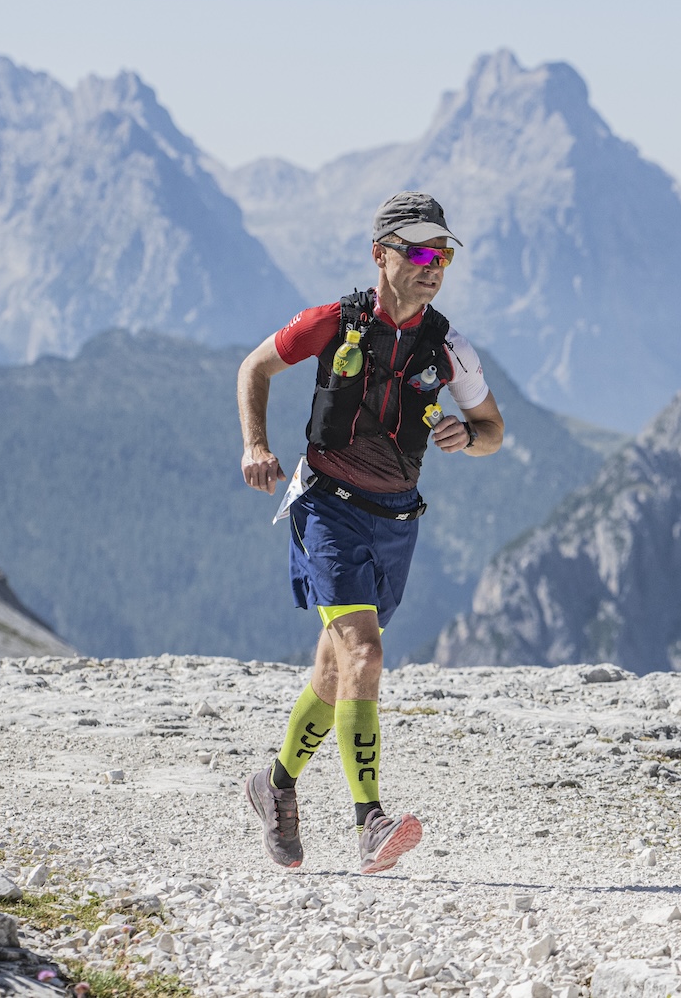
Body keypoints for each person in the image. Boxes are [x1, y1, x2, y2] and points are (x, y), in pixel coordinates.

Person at [235, 190, 504, 873]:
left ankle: (276, 786)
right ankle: (369, 822)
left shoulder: (449, 347)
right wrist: (255, 445)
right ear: (380, 253)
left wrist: (466, 434)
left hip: (397, 522)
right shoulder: (334, 322)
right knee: (366, 653)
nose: (432, 264)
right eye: (417, 251)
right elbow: (254, 367)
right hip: (327, 507)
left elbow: (494, 431)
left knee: (337, 669)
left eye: (441, 253)